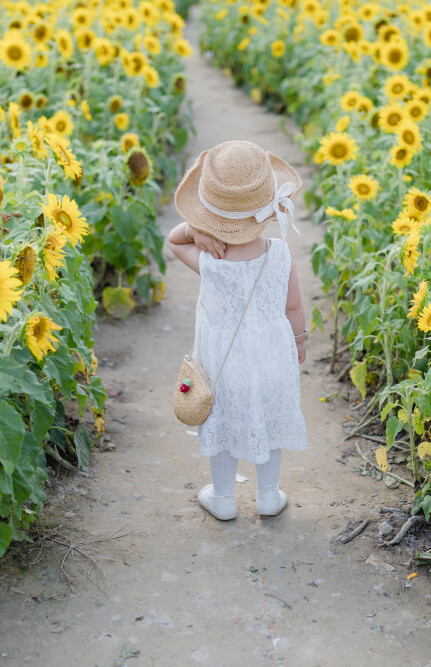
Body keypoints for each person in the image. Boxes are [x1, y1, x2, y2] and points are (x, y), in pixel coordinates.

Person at [167, 140, 309, 520]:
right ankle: (267, 494)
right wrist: (299, 340)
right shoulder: (279, 253)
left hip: (223, 362)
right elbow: (293, 305)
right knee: (268, 424)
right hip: (272, 356)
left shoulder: (213, 261)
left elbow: (173, 239)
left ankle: (224, 498)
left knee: (223, 423)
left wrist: (197, 232)